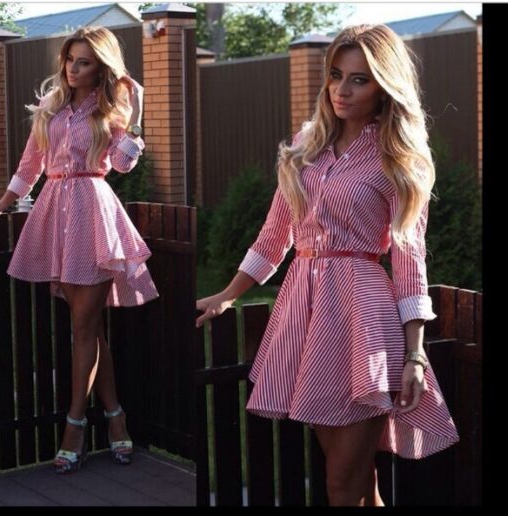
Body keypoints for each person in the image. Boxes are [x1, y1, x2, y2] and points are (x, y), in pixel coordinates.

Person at [196, 24, 459, 506]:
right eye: (336, 75)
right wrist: (228, 293)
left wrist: (414, 355)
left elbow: (409, 258)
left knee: (342, 481)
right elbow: (275, 236)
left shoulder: (399, 157)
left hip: (364, 319)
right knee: (357, 482)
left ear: (385, 85)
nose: (342, 89)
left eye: (360, 79)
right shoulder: (306, 143)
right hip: (307, 315)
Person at [0, 26, 159, 474]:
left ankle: (74, 426)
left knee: (82, 329)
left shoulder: (110, 113)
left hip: (93, 214)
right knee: (89, 331)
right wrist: (2, 203)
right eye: (70, 60)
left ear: (101, 67)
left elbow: (121, 164)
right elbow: (31, 163)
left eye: (84, 62)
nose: (73, 69)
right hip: (56, 213)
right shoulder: (53, 107)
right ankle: (116, 418)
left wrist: (133, 118)